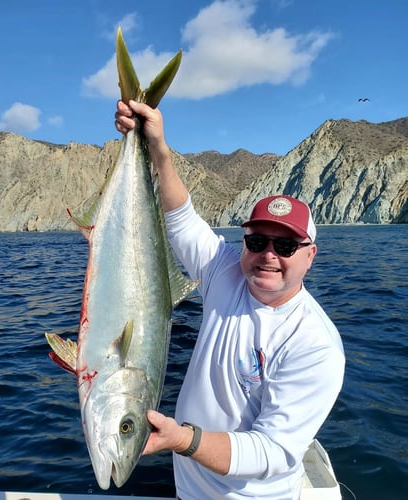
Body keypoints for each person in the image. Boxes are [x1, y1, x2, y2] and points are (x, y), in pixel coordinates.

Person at [115, 100, 345, 500]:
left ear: (311, 255)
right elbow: (183, 221)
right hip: (188, 486)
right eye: (257, 240)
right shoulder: (227, 272)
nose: (268, 254)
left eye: (286, 245)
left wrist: (182, 440)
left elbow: (271, 450)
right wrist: (157, 148)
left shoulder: (316, 344)